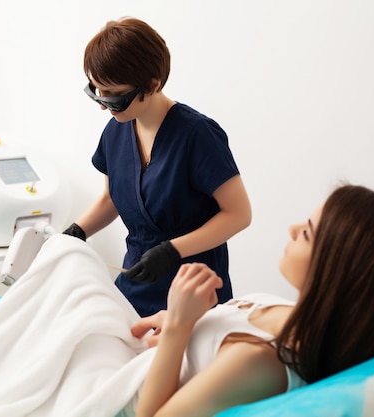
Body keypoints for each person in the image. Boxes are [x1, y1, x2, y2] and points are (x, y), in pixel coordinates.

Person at [0, 184, 374, 416]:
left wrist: (177, 329)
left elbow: (155, 416)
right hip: (149, 349)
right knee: (70, 264)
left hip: (125, 384)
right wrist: (177, 319)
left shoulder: (262, 361)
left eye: (306, 233)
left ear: (340, 273)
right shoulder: (285, 315)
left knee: (72, 271)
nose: (290, 228)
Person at [62, 17, 252, 317]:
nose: (103, 105)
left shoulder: (197, 135)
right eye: (96, 92)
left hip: (193, 291)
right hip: (136, 278)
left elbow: (239, 214)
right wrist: (76, 232)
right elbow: (112, 196)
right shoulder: (116, 130)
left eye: (114, 96)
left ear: (152, 85)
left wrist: (172, 250)